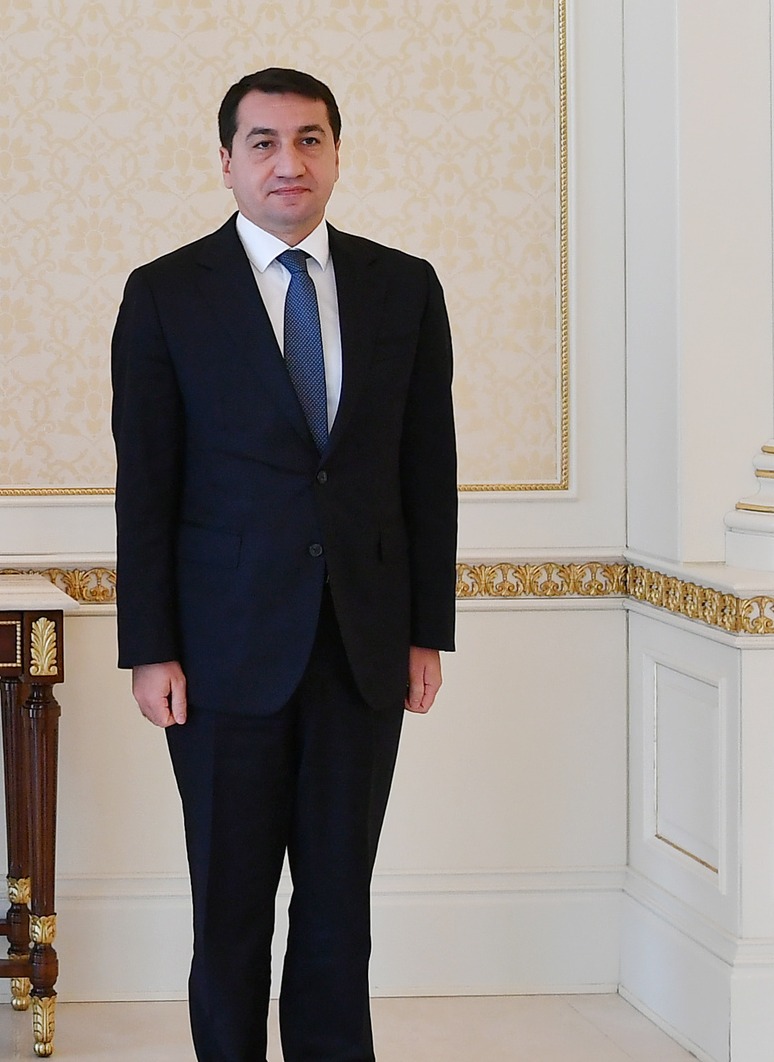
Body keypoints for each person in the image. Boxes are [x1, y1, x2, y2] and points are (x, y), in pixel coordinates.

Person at [111, 67, 457, 1062]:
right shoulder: (166, 293)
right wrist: (151, 646)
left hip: (361, 646)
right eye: (262, 142)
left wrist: (423, 630)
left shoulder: (404, 287)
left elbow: (425, 471)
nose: (287, 161)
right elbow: (146, 485)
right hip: (220, 656)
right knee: (228, 908)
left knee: (338, 906)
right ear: (226, 162)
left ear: (336, 155)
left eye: (309, 139)